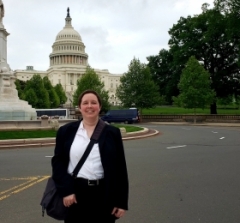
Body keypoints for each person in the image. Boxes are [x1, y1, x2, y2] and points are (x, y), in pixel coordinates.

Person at [51, 89, 129, 223]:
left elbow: (120, 168)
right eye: (85, 103)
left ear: (100, 106)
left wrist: (121, 202)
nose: (89, 106)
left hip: (105, 194)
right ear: (80, 107)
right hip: (75, 194)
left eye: (94, 103)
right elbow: (58, 163)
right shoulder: (66, 131)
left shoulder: (112, 133)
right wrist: (66, 190)